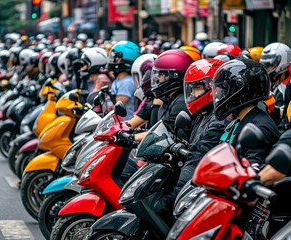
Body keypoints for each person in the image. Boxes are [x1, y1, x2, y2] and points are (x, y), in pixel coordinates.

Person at [153, 58, 229, 219]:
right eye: (191, 89)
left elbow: (197, 159)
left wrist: (171, 198)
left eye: (197, 89)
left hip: (202, 190)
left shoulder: (217, 120)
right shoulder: (203, 115)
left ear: (214, 88)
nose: (193, 94)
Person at [213, 58, 280, 172]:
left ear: (239, 90)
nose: (219, 95)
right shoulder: (240, 120)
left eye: (224, 90)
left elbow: (252, 171)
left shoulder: (260, 128)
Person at [107, 41, 141, 120]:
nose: (112, 61)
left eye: (115, 58)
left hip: (124, 123)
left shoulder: (127, 82)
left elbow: (117, 107)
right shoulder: (118, 80)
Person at [260, 42, 291, 125]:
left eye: (271, 65)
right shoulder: (272, 83)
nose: (268, 69)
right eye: (265, 65)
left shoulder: (288, 86)